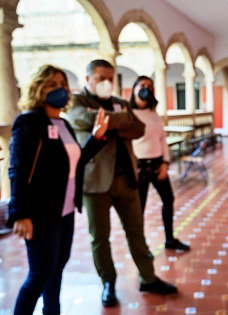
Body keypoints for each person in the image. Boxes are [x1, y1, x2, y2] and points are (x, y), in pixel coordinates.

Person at [65, 60, 177, 307]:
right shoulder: (77, 102)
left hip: (126, 178)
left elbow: (138, 129)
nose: (106, 83)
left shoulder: (121, 102)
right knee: (100, 238)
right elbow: (82, 120)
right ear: (88, 79)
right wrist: (122, 121)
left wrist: (107, 125)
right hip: (95, 183)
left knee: (136, 231)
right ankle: (108, 282)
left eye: (110, 78)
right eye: (100, 78)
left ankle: (148, 277)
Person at [7, 64, 109, 315]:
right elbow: (17, 169)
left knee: (56, 269)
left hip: (64, 211)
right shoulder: (29, 122)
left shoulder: (62, 123)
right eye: (52, 84)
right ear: (38, 88)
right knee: (39, 275)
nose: (60, 89)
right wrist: (20, 213)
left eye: (62, 84)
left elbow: (76, 162)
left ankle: (52, 312)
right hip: (40, 212)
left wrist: (96, 138)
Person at [130, 75, 190, 251]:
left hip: (158, 164)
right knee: (139, 207)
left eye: (150, 86)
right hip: (139, 166)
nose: (146, 89)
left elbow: (163, 139)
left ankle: (170, 239)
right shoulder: (129, 114)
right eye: (142, 85)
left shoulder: (153, 113)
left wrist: (165, 162)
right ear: (134, 89)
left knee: (168, 200)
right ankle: (140, 246)